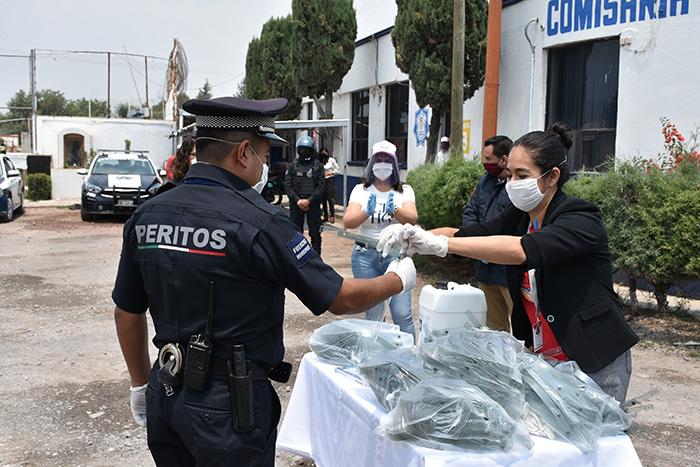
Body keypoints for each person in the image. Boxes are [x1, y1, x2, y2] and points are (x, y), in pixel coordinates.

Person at [112, 96, 417, 466]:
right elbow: (340, 298)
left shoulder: (148, 215)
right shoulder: (262, 222)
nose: (267, 166)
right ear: (243, 153)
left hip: (166, 393)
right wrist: (396, 278)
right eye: (264, 153)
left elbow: (127, 310)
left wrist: (141, 385)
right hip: (229, 407)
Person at [378, 123, 639, 403]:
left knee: (593, 439)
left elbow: (521, 250)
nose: (512, 182)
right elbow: (468, 234)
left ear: (552, 177)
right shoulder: (520, 216)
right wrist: (416, 236)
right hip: (545, 355)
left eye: (522, 175)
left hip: (594, 356)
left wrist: (441, 246)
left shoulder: (580, 217)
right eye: (510, 174)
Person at [343, 140, 419, 340]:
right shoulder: (361, 190)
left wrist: (395, 210)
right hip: (364, 256)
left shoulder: (404, 190)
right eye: (379, 159)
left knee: (402, 312)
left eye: (387, 160)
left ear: (394, 164)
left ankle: (409, 358)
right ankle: (376, 358)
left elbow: (412, 218)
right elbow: (348, 221)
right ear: (371, 163)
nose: (382, 164)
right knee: (374, 314)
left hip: (396, 256)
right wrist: (366, 211)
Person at [462, 135, 514, 332]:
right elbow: (470, 211)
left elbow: (507, 223)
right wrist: (476, 242)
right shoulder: (485, 182)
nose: (485, 163)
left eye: (488, 159)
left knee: (521, 326)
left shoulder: (516, 187)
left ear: (504, 159)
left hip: (507, 269)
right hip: (485, 268)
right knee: (494, 327)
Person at [284, 136, 325, 254]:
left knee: (315, 233)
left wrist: (309, 200)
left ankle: (317, 258)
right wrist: (298, 200)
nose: (304, 152)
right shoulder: (293, 166)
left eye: (307, 150)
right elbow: (287, 185)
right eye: (302, 150)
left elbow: (321, 186)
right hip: (296, 203)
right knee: (296, 233)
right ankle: (296, 258)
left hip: (313, 204)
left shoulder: (318, 166)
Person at [320, 148, 339, 223]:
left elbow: (337, 169)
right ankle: (325, 216)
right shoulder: (319, 161)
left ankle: (332, 216)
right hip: (322, 180)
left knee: (330, 198)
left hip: (330, 179)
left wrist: (330, 173)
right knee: (323, 199)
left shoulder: (331, 160)